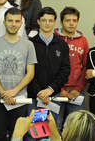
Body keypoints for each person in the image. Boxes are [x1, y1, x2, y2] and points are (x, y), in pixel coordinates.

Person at [0, 8, 36, 141]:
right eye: (10, 21)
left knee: (18, 134)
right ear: (4, 23)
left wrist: (14, 92)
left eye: (17, 21)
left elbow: (30, 73)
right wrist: (4, 93)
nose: (13, 24)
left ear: (21, 23)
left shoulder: (28, 45)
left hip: (19, 99)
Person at [26, 7, 70, 135]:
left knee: (52, 131)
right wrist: (39, 92)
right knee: (33, 132)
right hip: (34, 96)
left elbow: (65, 71)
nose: (47, 23)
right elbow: (27, 70)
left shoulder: (62, 45)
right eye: (44, 20)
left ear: (55, 21)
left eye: (50, 20)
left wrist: (49, 90)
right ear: (38, 21)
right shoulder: (30, 44)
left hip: (53, 96)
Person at [53, 7, 88, 127]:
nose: (71, 23)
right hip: (56, 90)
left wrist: (78, 88)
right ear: (61, 22)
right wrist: (60, 89)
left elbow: (86, 66)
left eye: (74, 20)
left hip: (76, 92)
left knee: (77, 126)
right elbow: (50, 68)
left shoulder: (83, 41)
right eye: (68, 20)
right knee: (55, 125)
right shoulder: (54, 39)